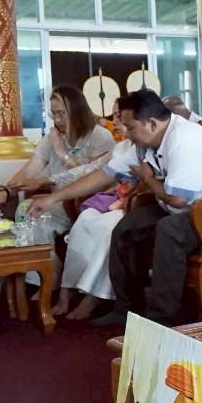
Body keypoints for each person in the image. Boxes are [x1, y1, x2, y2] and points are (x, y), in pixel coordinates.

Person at [28, 90, 202, 327]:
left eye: (130, 127)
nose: (125, 132)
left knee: (169, 229)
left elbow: (177, 199)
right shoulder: (144, 143)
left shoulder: (184, 139)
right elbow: (104, 175)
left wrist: (148, 179)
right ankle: (126, 308)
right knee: (127, 226)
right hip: (185, 208)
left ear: (151, 123)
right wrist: (52, 198)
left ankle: (160, 319)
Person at [54, 103, 134, 320]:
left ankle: (93, 296)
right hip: (116, 198)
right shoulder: (121, 148)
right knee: (85, 219)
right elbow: (102, 174)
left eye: (120, 116)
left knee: (109, 228)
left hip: (134, 204)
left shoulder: (147, 145)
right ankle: (67, 289)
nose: (115, 121)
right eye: (114, 116)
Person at [7, 85, 114, 235]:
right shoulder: (52, 137)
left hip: (83, 205)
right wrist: (5, 192)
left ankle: (44, 256)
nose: (57, 120)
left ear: (77, 111)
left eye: (62, 114)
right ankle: (32, 255)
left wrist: (62, 153)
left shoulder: (100, 136)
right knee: (25, 208)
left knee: (41, 218)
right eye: (53, 114)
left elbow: (93, 179)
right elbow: (27, 172)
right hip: (57, 201)